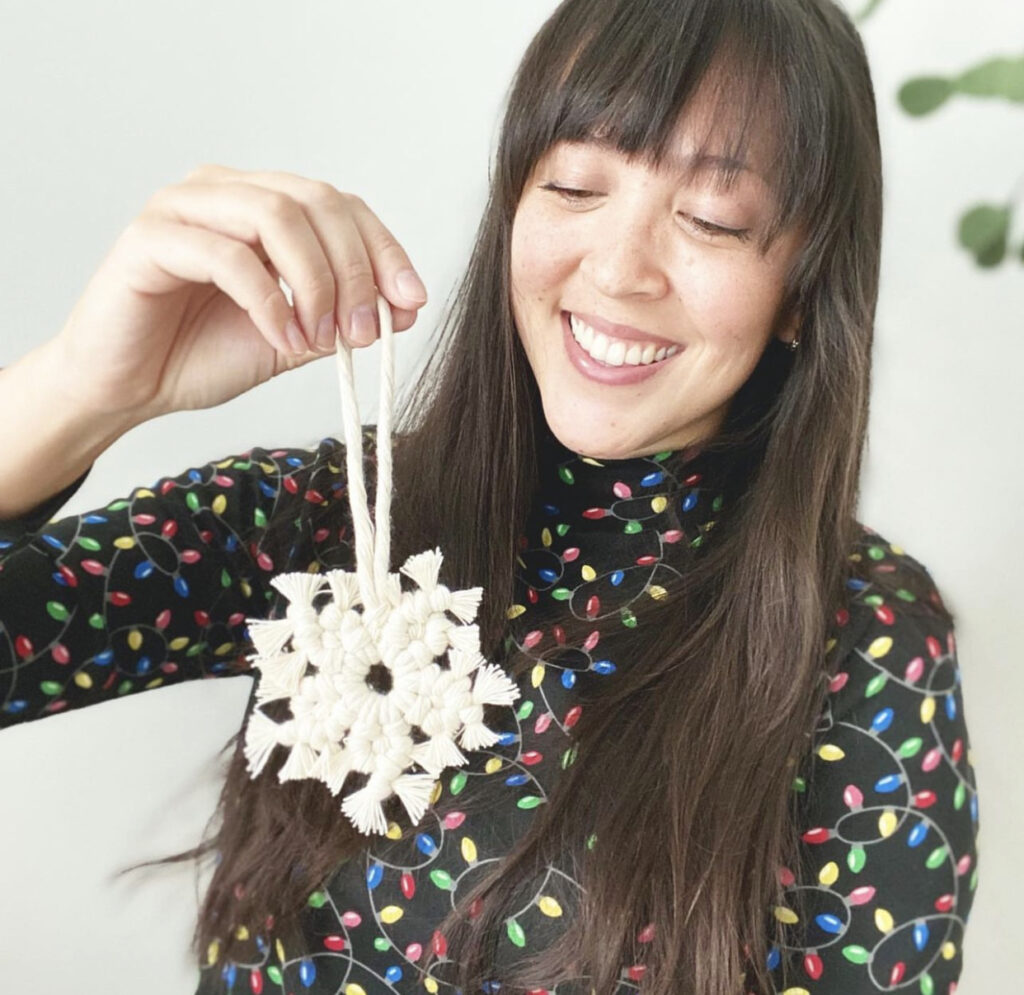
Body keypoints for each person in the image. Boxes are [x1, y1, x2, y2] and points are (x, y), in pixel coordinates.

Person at [0, 0, 980, 992]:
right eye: (573, 184)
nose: (615, 268)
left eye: (710, 218)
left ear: (805, 289)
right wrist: (81, 387)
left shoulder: (864, 634)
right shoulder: (341, 518)